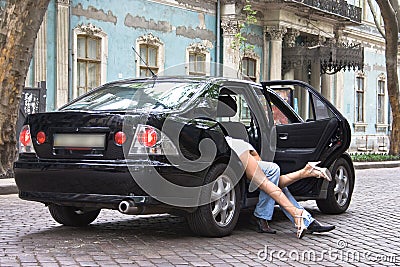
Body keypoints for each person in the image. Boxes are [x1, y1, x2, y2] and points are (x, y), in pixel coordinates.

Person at [225, 136, 335, 239]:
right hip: (239, 149)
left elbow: (269, 185)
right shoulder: (242, 150)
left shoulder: (242, 152)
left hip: (238, 150)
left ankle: (299, 215)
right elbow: (267, 185)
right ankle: (300, 215)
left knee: (270, 179)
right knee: (272, 173)